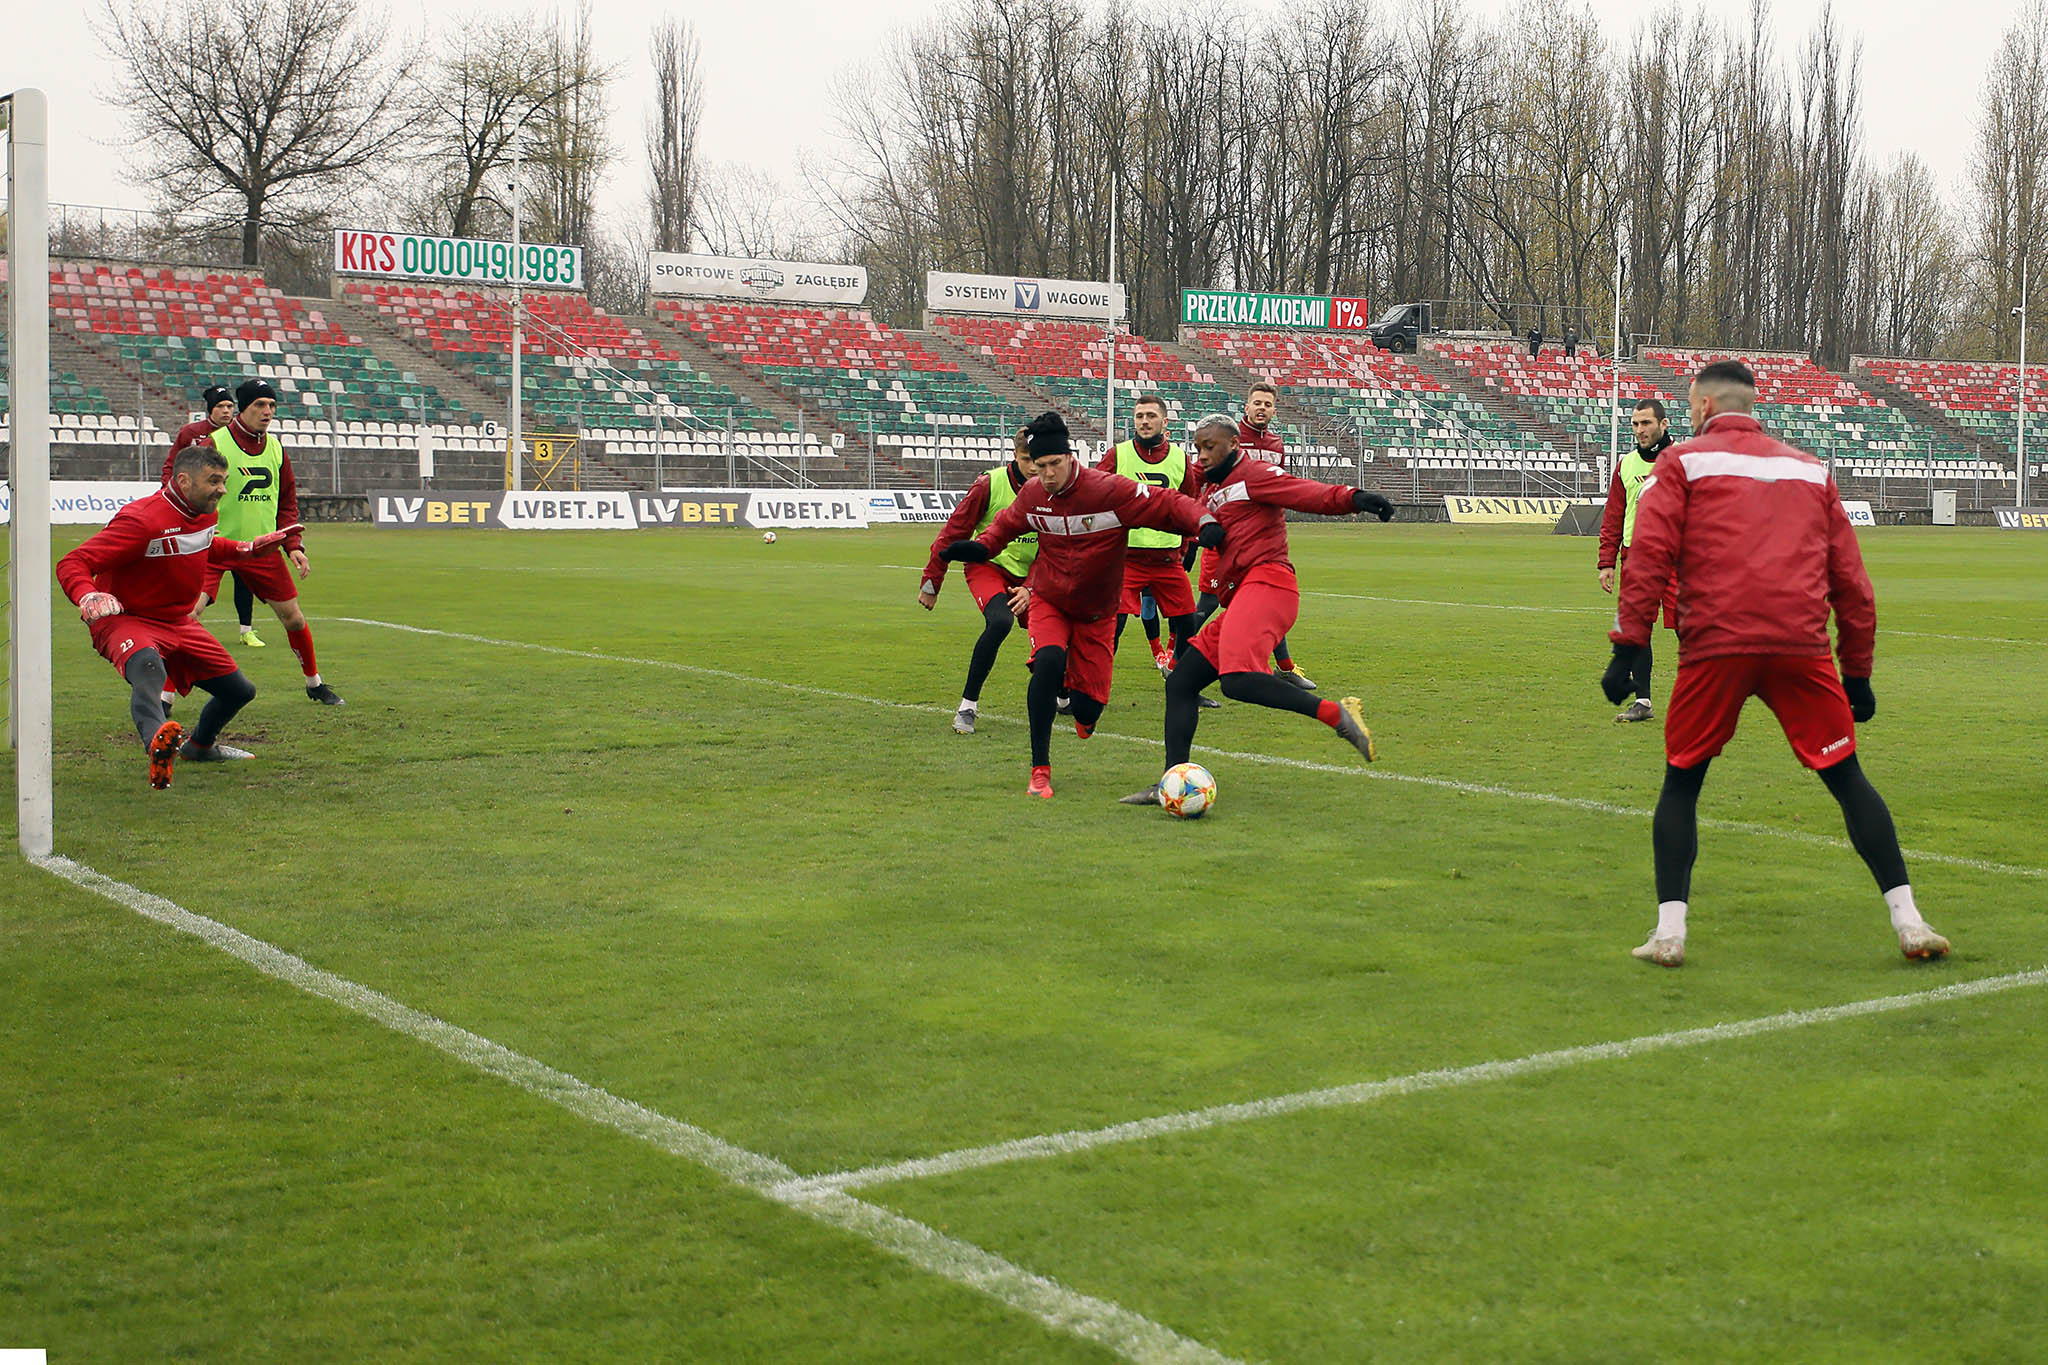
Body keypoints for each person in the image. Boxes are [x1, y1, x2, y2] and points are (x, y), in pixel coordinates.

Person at [1603, 359, 1949, 968]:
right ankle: (1910, 921)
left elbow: (1650, 556)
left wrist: (1627, 648)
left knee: (1682, 782)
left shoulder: (1680, 464)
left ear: (1704, 407)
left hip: (1716, 645)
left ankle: (1670, 933)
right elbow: (1852, 583)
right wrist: (1857, 672)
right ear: (1752, 406)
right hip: (1799, 645)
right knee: (1847, 776)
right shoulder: (1810, 470)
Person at [939, 411, 1218, 800]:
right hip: (1050, 600)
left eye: (1054, 463)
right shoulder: (1034, 494)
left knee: (1087, 713)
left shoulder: (1108, 490)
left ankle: (1081, 696)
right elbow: (1003, 526)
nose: (1047, 473)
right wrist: (980, 548)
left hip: (1098, 613)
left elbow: (1167, 503)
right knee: (1048, 662)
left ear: (1071, 457)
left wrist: (1203, 521)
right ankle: (1039, 771)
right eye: (1040, 466)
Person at [1120, 414, 1392, 806]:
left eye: (1209, 447)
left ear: (1233, 445)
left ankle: (1336, 714)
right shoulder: (1209, 487)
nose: (1201, 455)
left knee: (1237, 680)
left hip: (1270, 583)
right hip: (1242, 594)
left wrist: (1354, 498)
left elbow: (1306, 493)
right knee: (1180, 683)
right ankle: (1170, 781)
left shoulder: (1255, 474)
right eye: (1197, 448)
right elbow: (1175, 507)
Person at [55, 442, 300, 788]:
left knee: (239, 691)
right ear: (184, 481)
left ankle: (199, 747)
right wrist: (87, 593)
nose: (222, 489)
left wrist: (248, 548)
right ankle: (158, 744)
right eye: (214, 481)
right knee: (149, 667)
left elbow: (207, 545)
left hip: (178, 622)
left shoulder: (205, 513)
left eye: (224, 481)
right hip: (129, 618)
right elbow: (74, 561)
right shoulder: (142, 520)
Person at [199, 379, 345, 705]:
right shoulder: (215, 444)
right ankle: (164, 697)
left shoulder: (276, 448)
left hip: (262, 549)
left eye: (272, 405)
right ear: (243, 408)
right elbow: (195, 495)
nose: (267, 412)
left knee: (294, 618)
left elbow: (286, 502)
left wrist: (293, 545)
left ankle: (314, 684)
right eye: (260, 405)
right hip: (214, 547)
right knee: (188, 616)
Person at [1191, 381, 1316, 691]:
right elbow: (1197, 476)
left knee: (1266, 602)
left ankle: (1285, 667)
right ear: (1246, 407)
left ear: (1274, 411)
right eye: (1257, 403)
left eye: (1267, 404)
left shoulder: (1276, 445)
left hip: (1259, 541)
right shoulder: (1228, 439)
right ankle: (1177, 656)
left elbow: (1278, 487)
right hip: (1225, 537)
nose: (1262, 408)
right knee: (1208, 602)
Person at [919, 427, 1039, 735]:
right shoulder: (990, 484)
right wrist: (932, 582)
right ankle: (967, 707)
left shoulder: (1054, 488)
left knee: (1060, 632)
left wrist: (1030, 587)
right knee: (1000, 622)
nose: (1034, 467)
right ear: (1015, 455)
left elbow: (1058, 548)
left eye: (1039, 460)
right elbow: (953, 533)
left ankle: (1062, 694)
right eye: (1027, 459)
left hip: (1033, 576)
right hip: (989, 567)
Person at [1099, 394, 1202, 671]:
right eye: (1139, 416)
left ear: (1165, 422)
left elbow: (1191, 503)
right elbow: (1095, 495)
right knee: (1112, 626)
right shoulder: (1118, 454)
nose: (1144, 421)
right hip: (1125, 560)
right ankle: (1090, 685)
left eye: (1151, 416)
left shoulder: (1180, 458)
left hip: (1167, 560)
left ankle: (1180, 679)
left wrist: (1191, 543)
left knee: (1188, 623)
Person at [1596, 397, 1679, 722]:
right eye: (1635, 424)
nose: (1640, 430)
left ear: (1663, 424)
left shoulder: (1684, 461)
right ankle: (1643, 702)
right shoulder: (1627, 465)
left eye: (1646, 423)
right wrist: (1607, 561)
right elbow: (1614, 516)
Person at [163, 384, 264, 650]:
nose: (227, 411)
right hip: (204, 517)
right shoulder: (192, 434)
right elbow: (172, 466)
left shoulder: (242, 436)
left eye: (230, 406)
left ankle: (246, 630)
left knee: (244, 577)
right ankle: (181, 621)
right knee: (197, 575)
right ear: (210, 409)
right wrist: (169, 497)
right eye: (221, 406)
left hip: (234, 516)